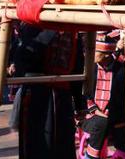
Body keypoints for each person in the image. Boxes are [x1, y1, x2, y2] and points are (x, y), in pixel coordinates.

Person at [11, 23, 85, 159]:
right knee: (38, 147)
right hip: (36, 97)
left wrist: (80, 105)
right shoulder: (34, 26)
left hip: (62, 100)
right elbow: (22, 61)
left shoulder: (73, 32)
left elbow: (78, 68)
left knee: (62, 147)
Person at [79, 32, 123, 159]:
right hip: (89, 115)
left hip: (112, 114)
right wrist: (96, 111)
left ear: (106, 55)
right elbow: (84, 96)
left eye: (95, 51)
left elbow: (121, 96)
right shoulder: (88, 68)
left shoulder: (120, 69)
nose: (90, 54)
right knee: (101, 123)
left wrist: (111, 110)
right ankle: (91, 156)